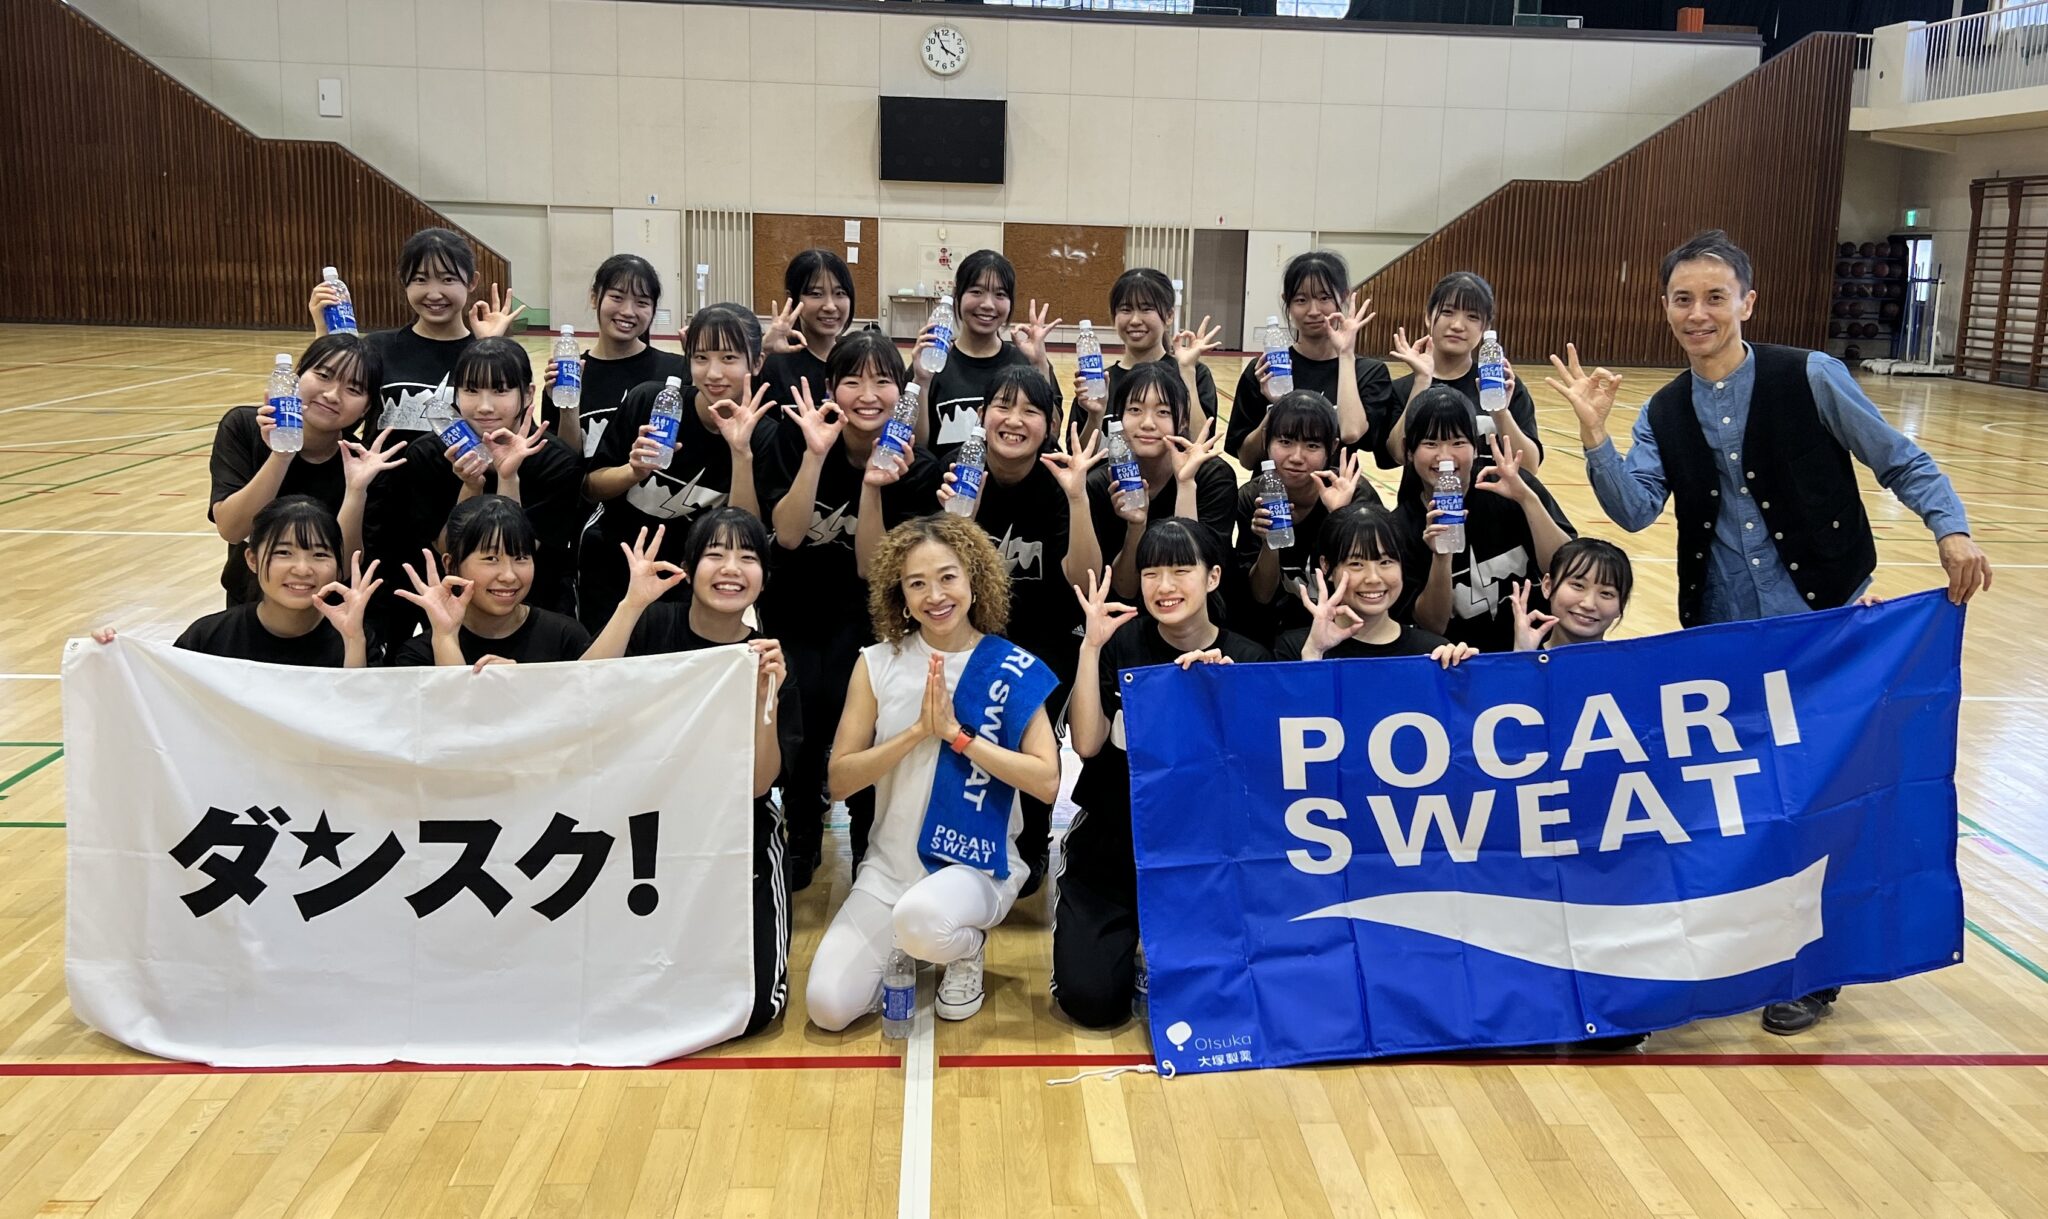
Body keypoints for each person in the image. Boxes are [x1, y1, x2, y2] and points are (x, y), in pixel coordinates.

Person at [1552, 228, 1992, 1037]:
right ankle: (1738, 945)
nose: (1699, 312)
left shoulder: (1810, 375)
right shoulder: (1664, 410)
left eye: (1715, 297)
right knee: (1739, 801)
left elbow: (1900, 459)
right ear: (1665, 308)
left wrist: (1951, 529)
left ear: (1747, 302)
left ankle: (1814, 969)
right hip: (1725, 643)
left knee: (1819, 799)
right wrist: (1593, 435)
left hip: (1825, 634)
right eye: (1683, 299)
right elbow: (1635, 509)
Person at [806, 515, 1061, 1031]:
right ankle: (918, 939)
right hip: (889, 869)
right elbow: (841, 780)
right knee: (828, 1008)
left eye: (947, 577)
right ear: (900, 594)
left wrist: (958, 737)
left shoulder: (1011, 666)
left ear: (973, 579)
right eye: (916, 583)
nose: (935, 595)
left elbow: (1046, 781)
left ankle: (963, 946)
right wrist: (918, 732)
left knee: (921, 918)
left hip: (976, 868)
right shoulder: (877, 663)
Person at [585, 510, 798, 1035]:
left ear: (764, 577)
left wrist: (766, 697)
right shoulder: (653, 624)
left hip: (733, 830)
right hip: (640, 823)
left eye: (747, 557)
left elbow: (758, 785)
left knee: (755, 1009)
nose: (731, 569)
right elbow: (583, 694)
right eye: (715, 554)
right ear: (689, 567)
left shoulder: (767, 657)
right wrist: (632, 603)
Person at [1053, 520, 1271, 1028]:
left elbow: (1259, 776)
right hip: (1113, 843)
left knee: (1214, 1000)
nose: (1164, 586)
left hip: (1202, 857)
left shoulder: (1246, 658)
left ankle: (1158, 946)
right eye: (1151, 572)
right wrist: (1090, 647)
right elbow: (1086, 743)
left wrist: (1221, 695)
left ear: (1213, 577)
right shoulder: (1119, 644)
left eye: (1180, 571)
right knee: (1091, 1002)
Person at [766, 331, 943, 890]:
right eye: (852, 381)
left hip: (870, 618)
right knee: (799, 719)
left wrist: (872, 487)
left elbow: (873, 569)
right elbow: (787, 535)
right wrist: (815, 455)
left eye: (882, 381)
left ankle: (869, 838)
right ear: (829, 388)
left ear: (902, 392)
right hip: (795, 606)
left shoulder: (919, 468)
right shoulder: (794, 438)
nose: (868, 394)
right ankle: (801, 830)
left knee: (865, 725)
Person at [935, 364, 1105, 896]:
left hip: (1044, 641)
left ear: (1051, 424)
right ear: (981, 415)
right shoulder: (954, 473)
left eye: (1031, 410)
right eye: (1003, 407)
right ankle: (961, 835)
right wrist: (958, 521)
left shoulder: (1061, 481)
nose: (1014, 420)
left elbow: (1084, 578)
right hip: (970, 637)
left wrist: (1078, 498)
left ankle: (1031, 841)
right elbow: (937, 580)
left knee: (1034, 743)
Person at [365, 338, 583, 646]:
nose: (484, 406)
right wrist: (471, 486)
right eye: (470, 390)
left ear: (527, 394)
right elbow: (447, 549)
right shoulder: (427, 455)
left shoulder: (556, 461)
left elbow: (514, 556)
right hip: (451, 608)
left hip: (532, 607)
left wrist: (507, 477)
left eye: (500, 390)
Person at [578, 302, 777, 631]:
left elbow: (747, 534)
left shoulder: (765, 435)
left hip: (690, 584)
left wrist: (741, 453)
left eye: (729, 358)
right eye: (701, 358)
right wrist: (633, 471)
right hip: (613, 567)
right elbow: (591, 486)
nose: (713, 373)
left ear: (756, 363)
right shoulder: (649, 402)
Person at [206, 333, 404, 606]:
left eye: (353, 389)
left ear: (366, 408)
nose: (332, 395)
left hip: (329, 611)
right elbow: (232, 529)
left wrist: (356, 490)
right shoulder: (243, 427)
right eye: (323, 375)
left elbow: (344, 568)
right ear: (296, 376)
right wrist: (282, 454)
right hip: (250, 604)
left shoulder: (365, 464)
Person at [91, 496, 378, 667]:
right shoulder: (210, 637)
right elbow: (158, 700)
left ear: (338, 565)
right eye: (283, 553)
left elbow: (367, 721)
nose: (302, 569)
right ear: (252, 559)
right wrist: (108, 656)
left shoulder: (355, 637)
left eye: (319, 555)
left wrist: (354, 643)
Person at [1392, 388, 1572, 653]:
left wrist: (1526, 499)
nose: (1445, 456)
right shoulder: (1399, 528)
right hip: (1458, 661)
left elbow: (1566, 568)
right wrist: (1441, 557)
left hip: (1534, 652)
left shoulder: (1510, 487)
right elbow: (1433, 625)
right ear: (1409, 451)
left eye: (1458, 442)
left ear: (1476, 448)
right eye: (1430, 444)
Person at [308, 227, 524, 442]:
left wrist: (491, 347)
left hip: (467, 466)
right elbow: (334, 423)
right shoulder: (377, 348)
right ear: (404, 281)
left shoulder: (480, 351)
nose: (434, 294)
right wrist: (325, 338)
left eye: (448, 279)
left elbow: (514, 435)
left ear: (472, 281)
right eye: (420, 279)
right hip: (381, 466)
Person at [1228, 390, 1375, 646]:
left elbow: (1370, 586)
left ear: (1332, 447)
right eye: (1285, 442)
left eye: (1312, 446)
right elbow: (1262, 596)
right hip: (1271, 633)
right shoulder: (1253, 498)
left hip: (1342, 628)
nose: (1296, 457)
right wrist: (1269, 544)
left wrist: (1339, 516)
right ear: (1266, 440)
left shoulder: (1356, 495)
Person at [1226, 250, 1397, 465]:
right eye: (1301, 300)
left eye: (1324, 298)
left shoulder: (1369, 372)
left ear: (1343, 297)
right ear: (1287, 302)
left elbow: (1351, 432)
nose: (1314, 310)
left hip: (1336, 484)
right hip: (1276, 486)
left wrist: (1345, 355)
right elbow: (1247, 459)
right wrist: (1278, 406)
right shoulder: (1265, 370)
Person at [386, 495, 593, 669]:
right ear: (450, 565)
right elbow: (449, 704)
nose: (509, 576)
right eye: (491, 559)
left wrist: (525, 684)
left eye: (521, 557)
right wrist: (445, 637)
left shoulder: (566, 637)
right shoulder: (418, 655)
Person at [1085, 362, 1238, 599]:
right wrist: (1136, 527)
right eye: (1135, 409)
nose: (1147, 423)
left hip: (1200, 609)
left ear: (1183, 421)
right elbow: (1125, 589)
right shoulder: (1101, 484)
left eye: (1163, 412)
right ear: (1119, 419)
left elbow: (1197, 582)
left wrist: (1186, 486)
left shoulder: (1213, 478)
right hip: (1129, 611)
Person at [1381, 271, 1542, 471]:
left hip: (1493, 492)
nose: (1457, 325)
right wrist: (1421, 382)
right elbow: (1397, 454)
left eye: (1472, 317)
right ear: (1428, 317)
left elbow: (1529, 467)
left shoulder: (1504, 386)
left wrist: (1500, 412)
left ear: (1486, 327)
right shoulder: (1404, 388)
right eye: (1447, 312)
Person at [1275, 504, 1472, 664]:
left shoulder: (1433, 653)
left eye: (1385, 562)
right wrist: (1314, 654)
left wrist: (1462, 675)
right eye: (1356, 564)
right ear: (1326, 566)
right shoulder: (1296, 649)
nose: (1373, 578)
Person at [916, 249, 1061, 458]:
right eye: (976, 291)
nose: (988, 304)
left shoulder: (1025, 361)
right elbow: (916, 446)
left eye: (1000, 294)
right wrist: (922, 382)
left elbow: (1052, 434)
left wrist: (1039, 364)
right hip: (946, 478)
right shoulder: (931, 362)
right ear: (957, 296)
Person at [538, 254, 684, 458]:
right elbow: (562, 462)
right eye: (617, 297)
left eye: (642, 302)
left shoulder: (675, 371)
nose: (628, 311)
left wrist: (700, 363)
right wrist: (568, 408)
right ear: (594, 298)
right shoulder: (567, 376)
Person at [1093, 267, 1219, 442]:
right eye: (1126, 309)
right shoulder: (1100, 382)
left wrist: (1187, 374)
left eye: (1146, 309)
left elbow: (1201, 444)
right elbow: (1078, 449)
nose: (1135, 320)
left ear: (1169, 316)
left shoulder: (1195, 373)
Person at [758, 248, 856, 407]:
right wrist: (762, 352)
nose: (830, 306)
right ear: (792, 298)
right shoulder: (773, 362)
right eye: (816, 294)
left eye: (840, 293)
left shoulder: (857, 359)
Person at [1506, 537, 1634, 652]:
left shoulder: (1630, 667)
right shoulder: (1516, 658)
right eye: (1578, 585)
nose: (1588, 605)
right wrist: (1523, 655)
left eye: (1606, 593)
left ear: (1622, 604)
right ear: (1548, 586)